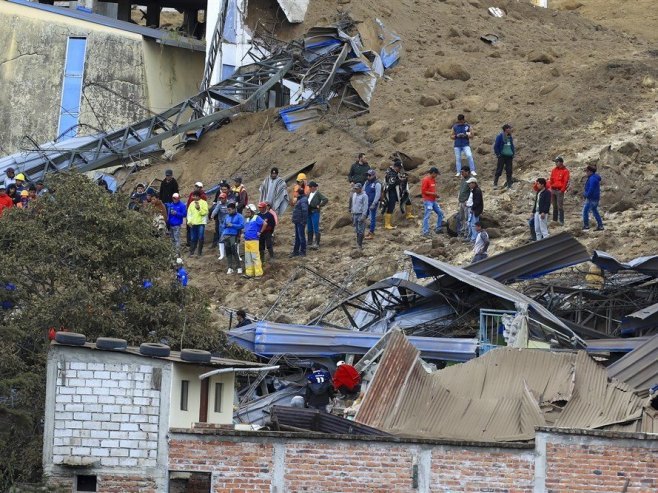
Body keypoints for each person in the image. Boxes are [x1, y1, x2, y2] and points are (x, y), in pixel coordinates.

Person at [243, 204, 267, 277]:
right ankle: (249, 273)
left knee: (255, 257)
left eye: (248, 212)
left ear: (252, 212)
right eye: (247, 211)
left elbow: (265, 224)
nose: (247, 213)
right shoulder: (247, 219)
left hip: (254, 241)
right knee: (248, 258)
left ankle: (258, 274)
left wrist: (260, 232)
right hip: (247, 241)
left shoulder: (257, 218)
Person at [421, 167, 444, 237]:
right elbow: (423, 191)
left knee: (440, 213)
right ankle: (425, 231)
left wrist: (435, 195)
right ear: (433, 173)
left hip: (433, 200)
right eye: (436, 174)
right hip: (428, 200)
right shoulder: (426, 180)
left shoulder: (433, 180)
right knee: (427, 216)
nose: (437, 176)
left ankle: (438, 228)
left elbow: (431, 190)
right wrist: (433, 194)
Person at [222, 202, 245, 274]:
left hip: (234, 235)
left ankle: (239, 267)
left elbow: (242, 225)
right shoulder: (227, 216)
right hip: (226, 235)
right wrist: (225, 225)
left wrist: (232, 225)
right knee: (228, 251)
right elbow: (223, 225)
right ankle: (230, 267)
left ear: (234, 209)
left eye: (230, 210)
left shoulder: (239, 216)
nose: (228, 211)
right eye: (228, 210)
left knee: (234, 250)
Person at [186, 190, 209, 256]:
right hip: (193, 223)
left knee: (201, 237)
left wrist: (199, 209)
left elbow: (205, 212)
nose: (195, 197)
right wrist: (189, 222)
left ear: (199, 196)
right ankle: (192, 252)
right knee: (193, 238)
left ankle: (199, 252)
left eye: (196, 196)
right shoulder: (191, 203)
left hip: (201, 223)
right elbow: (189, 213)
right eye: (194, 196)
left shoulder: (204, 203)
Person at [307, 181, 328, 249]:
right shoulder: (309, 194)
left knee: (315, 226)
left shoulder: (317, 193)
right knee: (309, 227)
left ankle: (317, 242)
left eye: (310, 187)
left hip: (315, 211)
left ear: (313, 187)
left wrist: (320, 205)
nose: (309, 188)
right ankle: (310, 241)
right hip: (309, 211)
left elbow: (325, 199)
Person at [583, 165, 604, 231]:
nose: (586, 172)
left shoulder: (592, 178)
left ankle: (586, 226)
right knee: (595, 211)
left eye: (587, 171)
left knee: (585, 211)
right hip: (595, 198)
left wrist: (586, 195)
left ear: (590, 171)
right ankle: (600, 226)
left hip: (591, 198)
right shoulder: (594, 177)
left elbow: (591, 189)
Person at [549, 156, 570, 225]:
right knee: (554, 206)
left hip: (559, 190)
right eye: (555, 162)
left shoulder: (565, 171)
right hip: (553, 189)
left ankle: (561, 220)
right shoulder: (554, 170)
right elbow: (551, 179)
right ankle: (555, 220)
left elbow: (565, 181)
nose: (556, 163)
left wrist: (562, 190)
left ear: (561, 162)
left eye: (557, 162)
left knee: (560, 206)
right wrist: (551, 187)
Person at [493, 124, 515, 188]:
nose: (510, 130)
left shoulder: (510, 137)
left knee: (509, 170)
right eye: (509, 128)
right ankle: (495, 183)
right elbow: (496, 146)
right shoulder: (500, 136)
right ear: (506, 129)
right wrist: (498, 154)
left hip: (509, 156)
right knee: (499, 169)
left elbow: (511, 145)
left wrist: (513, 153)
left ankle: (509, 184)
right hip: (502, 156)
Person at [290, 187, 309, 257]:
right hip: (297, 221)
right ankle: (296, 251)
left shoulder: (303, 200)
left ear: (298, 193)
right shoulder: (301, 199)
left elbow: (305, 211)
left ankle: (303, 252)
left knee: (301, 237)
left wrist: (304, 221)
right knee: (298, 237)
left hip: (300, 221)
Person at [364, 169, 382, 240]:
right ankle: (369, 231)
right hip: (366, 203)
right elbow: (363, 191)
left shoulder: (377, 183)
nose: (368, 177)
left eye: (369, 175)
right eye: (367, 175)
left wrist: (374, 203)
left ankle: (371, 232)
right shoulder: (366, 183)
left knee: (372, 218)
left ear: (374, 175)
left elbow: (377, 194)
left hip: (372, 203)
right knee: (365, 217)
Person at [211, 193, 229, 259]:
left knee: (229, 238)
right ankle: (222, 254)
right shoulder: (219, 204)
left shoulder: (230, 203)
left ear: (226, 198)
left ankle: (229, 253)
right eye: (220, 198)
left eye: (223, 198)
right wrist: (212, 215)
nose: (221, 199)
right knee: (221, 238)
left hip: (229, 224)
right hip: (221, 224)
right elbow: (215, 210)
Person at [350, 183, 368, 248]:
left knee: (361, 229)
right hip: (355, 213)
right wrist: (352, 213)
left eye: (357, 189)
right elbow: (353, 204)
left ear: (360, 188)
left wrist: (364, 215)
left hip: (360, 214)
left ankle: (359, 244)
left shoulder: (364, 196)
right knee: (357, 229)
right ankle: (358, 243)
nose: (356, 190)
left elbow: (365, 206)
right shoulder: (354, 194)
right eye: (355, 188)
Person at [457, 166, 472, 239]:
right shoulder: (463, 180)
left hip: (466, 202)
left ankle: (467, 233)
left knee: (467, 218)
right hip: (461, 201)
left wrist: (468, 201)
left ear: (467, 172)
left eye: (463, 172)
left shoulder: (470, 181)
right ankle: (463, 231)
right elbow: (461, 191)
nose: (461, 173)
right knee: (462, 217)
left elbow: (472, 192)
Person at [467, 177, 483, 242]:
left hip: (476, 210)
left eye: (470, 183)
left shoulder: (477, 191)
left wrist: (472, 208)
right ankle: (473, 237)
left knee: (474, 225)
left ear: (474, 183)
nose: (469, 185)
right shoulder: (475, 190)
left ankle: (475, 238)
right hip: (475, 209)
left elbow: (477, 202)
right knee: (472, 224)